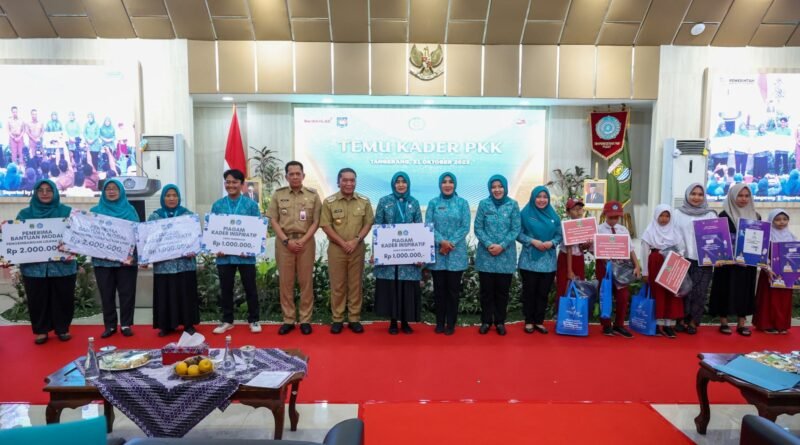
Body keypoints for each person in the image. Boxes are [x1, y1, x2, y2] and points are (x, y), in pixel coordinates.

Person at [16, 179, 76, 344]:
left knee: (63, 297)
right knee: (37, 299)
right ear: (35, 193)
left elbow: (78, 236)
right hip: (34, 268)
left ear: (55, 192)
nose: (44, 193)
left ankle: (62, 328)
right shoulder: (24, 214)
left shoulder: (68, 212)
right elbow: (16, 239)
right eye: (40, 190)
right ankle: (41, 331)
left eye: (48, 190)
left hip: (63, 266)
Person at [267, 161, 322, 335]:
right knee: (286, 282)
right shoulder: (278, 195)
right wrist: (286, 241)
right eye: (291, 174)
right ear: (287, 176)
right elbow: (273, 220)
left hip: (306, 242)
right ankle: (289, 319)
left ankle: (305, 319)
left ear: (303, 176)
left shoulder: (313, 195)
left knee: (306, 282)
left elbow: (316, 221)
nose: (295, 177)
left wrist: (303, 240)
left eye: (298, 173)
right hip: (284, 243)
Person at [320, 168, 374, 334]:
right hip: (337, 249)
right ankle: (337, 318)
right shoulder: (329, 202)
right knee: (338, 284)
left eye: (352, 180)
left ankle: (354, 318)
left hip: (357, 249)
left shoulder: (364, 201)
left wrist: (356, 240)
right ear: (339, 182)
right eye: (345, 180)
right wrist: (343, 243)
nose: (349, 183)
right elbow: (326, 225)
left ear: (355, 182)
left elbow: (368, 223)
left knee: (355, 284)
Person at [211, 169, 263, 334]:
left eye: (235, 182)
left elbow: (257, 230)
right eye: (228, 182)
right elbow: (213, 230)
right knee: (226, 289)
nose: (231, 185)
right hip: (224, 257)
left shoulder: (251, 205)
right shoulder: (217, 205)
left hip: (245, 256)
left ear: (242, 184)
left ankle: (254, 319)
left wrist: (250, 247)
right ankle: (227, 320)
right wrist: (216, 247)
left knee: (250, 288)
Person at [373, 172, 423, 335]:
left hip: (408, 253)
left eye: (404, 182)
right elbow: (378, 227)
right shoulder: (384, 201)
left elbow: (419, 228)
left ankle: (406, 321)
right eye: (398, 182)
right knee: (392, 286)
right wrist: (376, 252)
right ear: (393, 184)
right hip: (389, 251)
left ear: (408, 184)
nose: (401, 185)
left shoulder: (414, 202)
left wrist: (420, 254)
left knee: (406, 286)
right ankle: (393, 322)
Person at [148, 185, 199, 337]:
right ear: (163, 198)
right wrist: (146, 257)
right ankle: (166, 325)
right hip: (163, 266)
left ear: (179, 197)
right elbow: (148, 240)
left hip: (185, 264)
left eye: (174, 195)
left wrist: (194, 249)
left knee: (185, 293)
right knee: (165, 294)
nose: (171, 198)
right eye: (168, 195)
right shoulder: (155, 217)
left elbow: (196, 237)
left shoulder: (188, 216)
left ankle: (188, 324)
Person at [91, 179, 140, 338]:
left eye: (115, 189)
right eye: (108, 189)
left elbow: (138, 233)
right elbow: (88, 235)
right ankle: (110, 326)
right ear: (103, 192)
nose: (111, 191)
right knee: (106, 294)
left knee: (127, 293)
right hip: (102, 261)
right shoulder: (95, 212)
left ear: (121, 191)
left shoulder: (130, 210)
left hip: (126, 261)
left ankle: (126, 324)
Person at [709, 183, 759, 336]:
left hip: (747, 263)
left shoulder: (756, 216)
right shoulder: (724, 215)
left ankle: (741, 324)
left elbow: (759, 239)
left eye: (747, 196)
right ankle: (723, 322)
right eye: (740, 195)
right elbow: (718, 239)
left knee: (745, 290)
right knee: (725, 288)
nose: (743, 199)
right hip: (727, 263)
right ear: (732, 197)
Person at [474, 174, 520, 336]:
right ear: (490, 189)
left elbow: (515, 229)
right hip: (486, 256)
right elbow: (478, 227)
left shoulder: (513, 205)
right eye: (494, 187)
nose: (497, 190)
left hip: (505, 256)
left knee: (502, 292)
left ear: (505, 188)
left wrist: (502, 245)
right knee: (486, 292)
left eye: (500, 186)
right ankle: (486, 321)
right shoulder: (484, 204)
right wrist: (489, 244)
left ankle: (500, 322)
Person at [425, 172, 470, 335]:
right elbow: (428, 225)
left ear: (455, 184)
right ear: (440, 185)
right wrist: (441, 242)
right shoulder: (433, 203)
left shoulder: (462, 203)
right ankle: (439, 322)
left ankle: (450, 323)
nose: (447, 185)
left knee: (453, 291)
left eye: (451, 182)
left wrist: (449, 243)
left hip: (456, 254)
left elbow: (465, 227)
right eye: (444, 182)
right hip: (438, 254)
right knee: (439, 291)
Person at [672, 183, 717, 335]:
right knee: (682, 291)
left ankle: (693, 322)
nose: (696, 197)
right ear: (687, 195)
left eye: (700, 194)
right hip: (681, 258)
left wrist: (718, 255)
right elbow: (672, 234)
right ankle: (680, 320)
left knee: (699, 292)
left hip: (704, 260)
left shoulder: (710, 215)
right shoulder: (677, 213)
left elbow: (716, 238)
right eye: (693, 193)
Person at [518, 186, 562, 334]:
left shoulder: (553, 216)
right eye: (538, 196)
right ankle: (529, 321)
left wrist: (552, 243)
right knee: (529, 292)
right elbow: (518, 233)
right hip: (529, 260)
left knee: (543, 293)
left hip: (548, 261)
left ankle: (539, 321)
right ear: (533, 198)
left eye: (545, 197)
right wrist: (532, 241)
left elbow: (559, 235)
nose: (542, 200)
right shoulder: (525, 213)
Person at [594, 201, 641, 338]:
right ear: (605, 215)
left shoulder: (623, 230)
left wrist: (637, 265)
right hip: (604, 268)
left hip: (621, 268)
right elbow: (593, 249)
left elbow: (631, 249)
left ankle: (619, 325)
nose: (614, 220)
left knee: (623, 296)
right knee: (605, 295)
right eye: (611, 217)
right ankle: (606, 325)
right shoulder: (598, 229)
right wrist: (603, 258)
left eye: (616, 217)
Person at [640, 205, 684, 338]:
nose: (664, 219)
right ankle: (657, 325)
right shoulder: (650, 231)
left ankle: (668, 325)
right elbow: (644, 252)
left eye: (667, 216)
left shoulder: (674, 231)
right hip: (656, 262)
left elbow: (682, 248)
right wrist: (645, 272)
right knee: (657, 293)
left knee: (671, 292)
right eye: (661, 216)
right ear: (656, 216)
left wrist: (678, 260)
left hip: (671, 261)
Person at [753, 209, 795, 334]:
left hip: (786, 274)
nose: (782, 222)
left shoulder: (791, 236)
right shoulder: (767, 235)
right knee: (769, 300)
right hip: (769, 273)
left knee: (783, 300)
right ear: (771, 221)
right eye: (777, 219)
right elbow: (761, 254)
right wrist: (767, 269)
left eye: (785, 219)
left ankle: (781, 325)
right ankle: (766, 325)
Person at [556, 198, 589, 301]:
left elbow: (581, 247)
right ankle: (562, 309)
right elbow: (569, 248)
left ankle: (577, 309)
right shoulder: (567, 225)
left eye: (580, 209)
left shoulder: (584, 225)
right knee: (563, 285)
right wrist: (569, 270)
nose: (578, 212)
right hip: (566, 258)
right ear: (568, 212)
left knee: (579, 285)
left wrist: (587, 244)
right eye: (574, 209)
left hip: (579, 258)